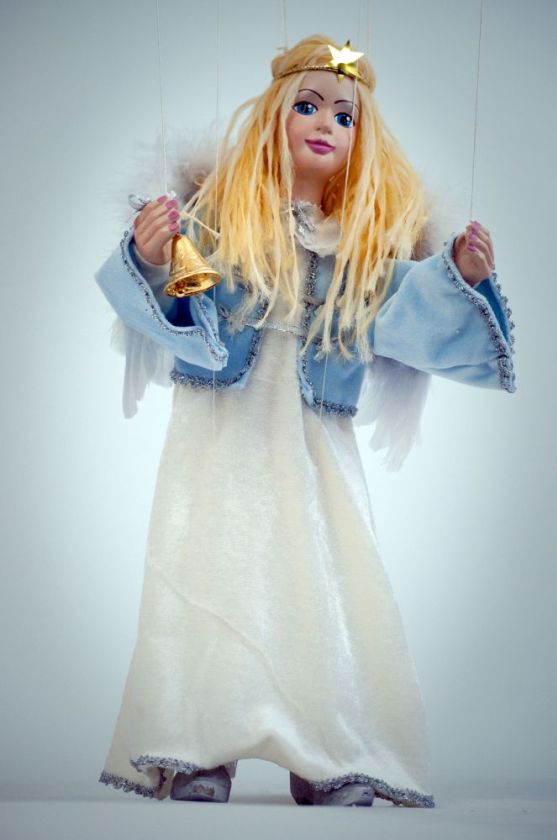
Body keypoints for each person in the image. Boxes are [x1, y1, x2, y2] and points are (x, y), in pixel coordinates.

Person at [95, 34, 516, 808]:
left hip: (314, 437)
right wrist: (152, 254)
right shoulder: (221, 223)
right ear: (274, 117)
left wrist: (458, 276)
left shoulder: (359, 247)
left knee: (323, 582)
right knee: (212, 571)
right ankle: (197, 746)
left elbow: (406, 315)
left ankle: (327, 752)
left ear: (361, 140)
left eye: (344, 116)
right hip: (221, 428)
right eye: (309, 106)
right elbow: (169, 299)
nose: (326, 123)